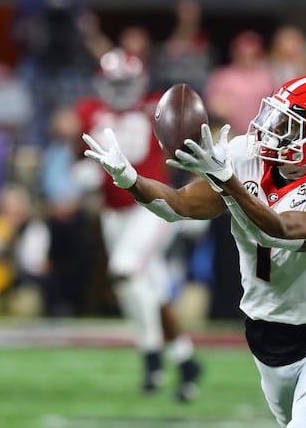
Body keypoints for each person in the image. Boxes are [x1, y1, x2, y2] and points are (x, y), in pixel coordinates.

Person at [81, 75, 306, 427]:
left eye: (289, 124)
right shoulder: (244, 158)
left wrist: (228, 183)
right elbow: (179, 206)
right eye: (276, 116)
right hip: (263, 337)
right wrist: (131, 180)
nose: (272, 128)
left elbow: (281, 231)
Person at [72, 48, 201, 402]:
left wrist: (197, 192)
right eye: (114, 82)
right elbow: (79, 154)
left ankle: (150, 354)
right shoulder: (88, 111)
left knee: (125, 271)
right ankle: (186, 360)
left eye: (125, 82)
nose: (119, 89)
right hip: (114, 213)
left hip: (152, 206)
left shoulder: (155, 107)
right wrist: (82, 174)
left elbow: (190, 145)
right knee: (148, 294)